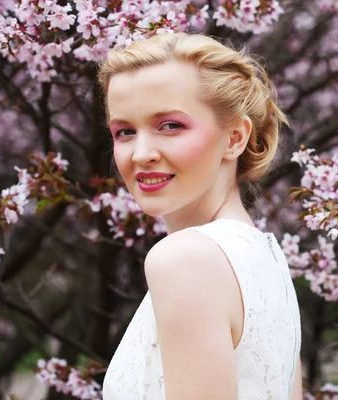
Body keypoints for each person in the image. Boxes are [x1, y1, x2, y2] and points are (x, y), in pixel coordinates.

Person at [97, 32, 302, 400]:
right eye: (125, 131)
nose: (141, 153)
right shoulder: (268, 260)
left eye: (170, 125)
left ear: (236, 137)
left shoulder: (184, 260)